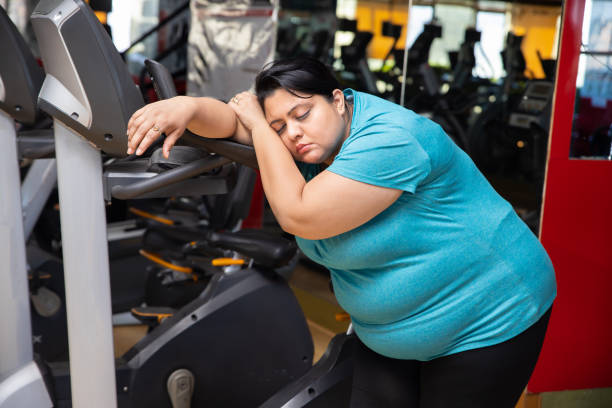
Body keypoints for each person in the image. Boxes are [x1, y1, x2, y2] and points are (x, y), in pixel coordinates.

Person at [126, 58, 556, 408]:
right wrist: (186, 107)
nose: (292, 133)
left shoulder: (392, 139)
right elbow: (232, 121)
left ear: (337, 100)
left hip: (486, 316)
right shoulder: (310, 140)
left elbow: (299, 214)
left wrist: (261, 128)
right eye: (279, 126)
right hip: (387, 333)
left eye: (302, 113)